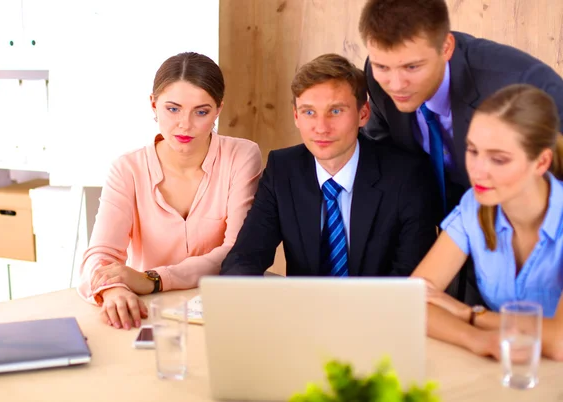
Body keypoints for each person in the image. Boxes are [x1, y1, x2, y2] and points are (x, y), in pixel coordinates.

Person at [358, 0, 563, 300]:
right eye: (382, 67)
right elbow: (388, 162)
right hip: (460, 228)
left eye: (412, 67)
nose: (396, 84)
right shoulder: (379, 77)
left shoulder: (524, 85)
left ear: (446, 47)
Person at [78, 52, 262, 330]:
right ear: (153, 104)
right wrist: (114, 289)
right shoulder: (127, 168)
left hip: (221, 311)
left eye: (201, 111)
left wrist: (153, 279)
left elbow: (237, 252)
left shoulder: (241, 155)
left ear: (218, 109)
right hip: (149, 316)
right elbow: (99, 256)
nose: (185, 124)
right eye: (172, 109)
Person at [221, 53, 439, 277]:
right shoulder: (283, 170)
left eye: (335, 111)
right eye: (309, 112)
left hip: (379, 310)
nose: (321, 127)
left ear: (363, 114)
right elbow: (244, 257)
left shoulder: (406, 176)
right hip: (304, 310)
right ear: (296, 116)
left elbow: (411, 278)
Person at [411, 84, 563, 361]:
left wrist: (469, 315)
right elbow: (414, 300)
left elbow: (559, 342)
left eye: (499, 159)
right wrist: (478, 340)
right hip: (506, 367)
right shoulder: (475, 204)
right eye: (473, 151)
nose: (478, 171)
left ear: (541, 162)